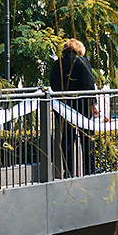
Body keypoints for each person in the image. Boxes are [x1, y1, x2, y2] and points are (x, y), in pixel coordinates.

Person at [46, 38, 97, 174]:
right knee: (87, 138)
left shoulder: (58, 64)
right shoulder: (82, 62)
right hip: (82, 106)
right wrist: (93, 105)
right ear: (79, 49)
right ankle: (90, 169)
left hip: (64, 107)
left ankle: (68, 171)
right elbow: (89, 85)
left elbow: (53, 84)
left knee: (67, 139)